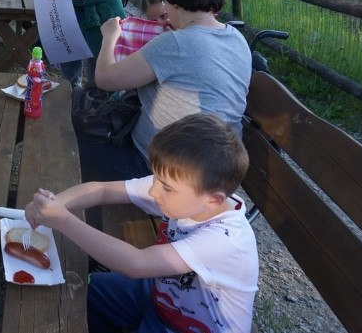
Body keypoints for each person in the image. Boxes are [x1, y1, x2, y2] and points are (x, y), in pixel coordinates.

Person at [25, 113, 258, 333]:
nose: (154, 191)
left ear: (213, 199)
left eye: (165, 187)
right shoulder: (186, 190)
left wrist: (63, 220)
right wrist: (52, 205)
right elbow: (102, 189)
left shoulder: (226, 240)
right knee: (90, 288)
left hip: (192, 327)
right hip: (164, 298)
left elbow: (136, 265)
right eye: (156, 178)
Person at [90, 0, 252, 182]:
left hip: (160, 173)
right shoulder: (236, 38)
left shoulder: (176, 43)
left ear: (175, 2)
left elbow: (104, 79)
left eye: (166, 2)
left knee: (72, 146)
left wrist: (109, 36)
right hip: (215, 172)